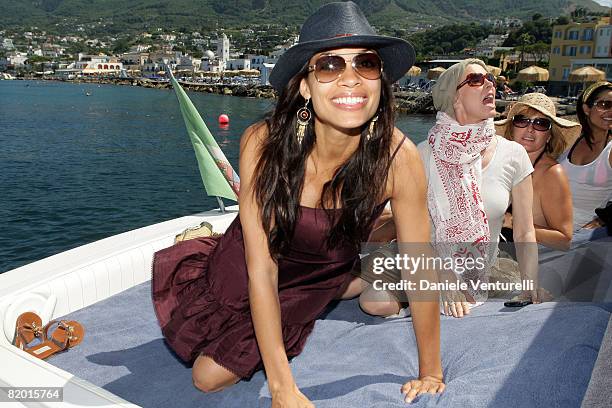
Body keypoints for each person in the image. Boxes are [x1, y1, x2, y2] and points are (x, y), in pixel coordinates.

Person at [151, 2, 444, 406]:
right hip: (249, 262)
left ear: (381, 81)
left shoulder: (399, 159)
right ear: (305, 84)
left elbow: (421, 265)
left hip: (315, 277)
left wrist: (431, 371)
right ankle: (360, 271)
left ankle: (361, 273)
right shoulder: (263, 142)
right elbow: (262, 267)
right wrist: (281, 387)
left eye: (366, 64)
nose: (350, 79)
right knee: (205, 367)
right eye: (329, 66)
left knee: (208, 376)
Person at [358, 60, 540, 318]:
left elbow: (524, 231)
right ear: (453, 95)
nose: (489, 83)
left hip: (480, 263)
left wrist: (529, 282)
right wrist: (439, 275)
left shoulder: (513, 153)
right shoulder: (421, 154)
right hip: (425, 257)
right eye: (476, 80)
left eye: (489, 78)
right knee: (374, 301)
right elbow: (415, 231)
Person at [495, 93, 580, 250]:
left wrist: (512, 222)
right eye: (522, 121)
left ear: (549, 135)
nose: (530, 129)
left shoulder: (552, 173)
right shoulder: (499, 162)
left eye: (540, 124)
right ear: (511, 128)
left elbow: (564, 240)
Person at [558, 81, 612, 235]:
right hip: (549, 227)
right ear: (586, 109)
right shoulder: (570, 140)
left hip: (582, 238)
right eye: (605, 104)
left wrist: (603, 220)